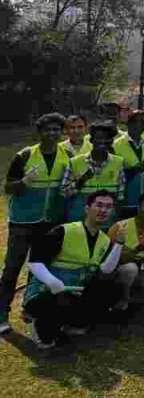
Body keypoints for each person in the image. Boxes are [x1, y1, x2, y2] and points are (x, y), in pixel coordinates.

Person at [23, 191, 125, 348]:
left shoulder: (104, 240)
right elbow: (34, 262)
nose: (103, 210)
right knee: (47, 342)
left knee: (111, 288)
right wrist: (53, 282)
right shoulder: (64, 231)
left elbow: (106, 269)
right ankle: (39, 323)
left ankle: (74, 322)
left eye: (108, 207)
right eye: (99, 205)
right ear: (87, 208)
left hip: (76, 291)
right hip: (48, 292)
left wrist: (118, 244)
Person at [1, 113, 69, 334]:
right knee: (12, 269)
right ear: (39, 132)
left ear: (61, 132)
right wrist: (23, 182)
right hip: (22, 223)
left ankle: (28, 308)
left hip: (49, 222)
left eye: (56, 130)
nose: (52, 133)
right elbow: (8, 187)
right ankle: (2, 314)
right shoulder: (25, 155)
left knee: (38, 269)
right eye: (48, 130)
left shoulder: (66, 155)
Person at [62, 121, 125, 224]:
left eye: (107, 138)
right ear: (91, 140)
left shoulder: (118, 162)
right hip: (80, 221)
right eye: (99, 138)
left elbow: (120, 196)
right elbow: (64, 192)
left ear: (112, 141)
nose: (103, 141)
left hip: (107, 222)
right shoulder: (75, 162)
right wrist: (81, 181)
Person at [113, 110, 144, 217]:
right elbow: (113, 173)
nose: (138, 126)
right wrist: (134, 170)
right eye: (135, 122)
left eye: (142, 123)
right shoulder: (116, 145)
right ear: (128, 123)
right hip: (123, 198)